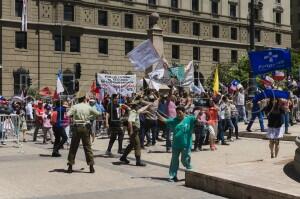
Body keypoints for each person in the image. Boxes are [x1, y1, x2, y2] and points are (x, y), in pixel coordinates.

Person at [158, 106, 197, 182]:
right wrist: (157, 114)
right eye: (177, 113)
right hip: (176, 144)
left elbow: (197, 119)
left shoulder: (189, 119)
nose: (178, 114)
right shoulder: (174, 120)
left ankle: (189, 168)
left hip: (186, 144)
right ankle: (173, 176)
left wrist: (199, 114)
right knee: (174, 161)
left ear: (184, 112)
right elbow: (164, 120)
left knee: (184, 159)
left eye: (180, 113)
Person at [67, 91, 101, 173]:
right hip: (86, 127)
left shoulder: (75, 107)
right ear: (84, 99)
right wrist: (89, 116)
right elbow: (98, 113)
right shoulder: (88, 107)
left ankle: (70, 166)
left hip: (77, 127)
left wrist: (74, 115)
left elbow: (67, 114)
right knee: (87, 147)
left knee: (73, 147)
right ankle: (91, 166)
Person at [119, 101, 149, 166]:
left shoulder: (135, 111)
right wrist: (131, 131)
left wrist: (148, 105)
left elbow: (141, 109)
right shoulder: (133, 112)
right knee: (137, 145)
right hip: (134, 131)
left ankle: (123, 157)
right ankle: (138, 161)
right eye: (137, 105)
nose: (139, 106)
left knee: (131, 145)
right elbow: (130, 121)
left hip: (135, 130)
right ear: (135, 106)